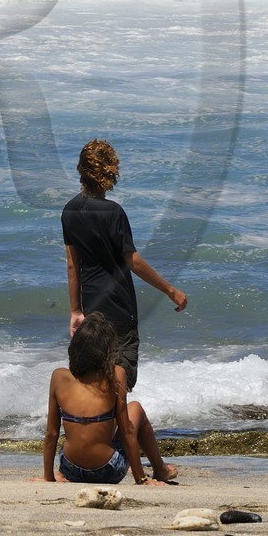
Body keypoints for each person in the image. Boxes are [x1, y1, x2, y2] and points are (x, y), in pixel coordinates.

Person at [62, 139, 186, 390]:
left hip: (91, 310)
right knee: (120, 382)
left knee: (95, 381)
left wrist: (76, 311)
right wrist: (170, 291)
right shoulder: (113, 212)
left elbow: (72, 266)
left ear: (81, 170)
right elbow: (133, 261)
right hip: (119, 308)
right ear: (110, 171)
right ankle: (120, 429)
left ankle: (95, 428)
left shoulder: (69, 211)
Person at [38, 314, 177, 485]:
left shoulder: (59, 377)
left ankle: (59, 475)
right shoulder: (116, 374)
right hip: (108, 470)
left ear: (75, 347)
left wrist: (48, 478)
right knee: (136, 408)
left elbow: (52, 433)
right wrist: (141, 479)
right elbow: (127, 432)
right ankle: (160, 469)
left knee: (95, 425)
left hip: (70, 469)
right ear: (106, 352)